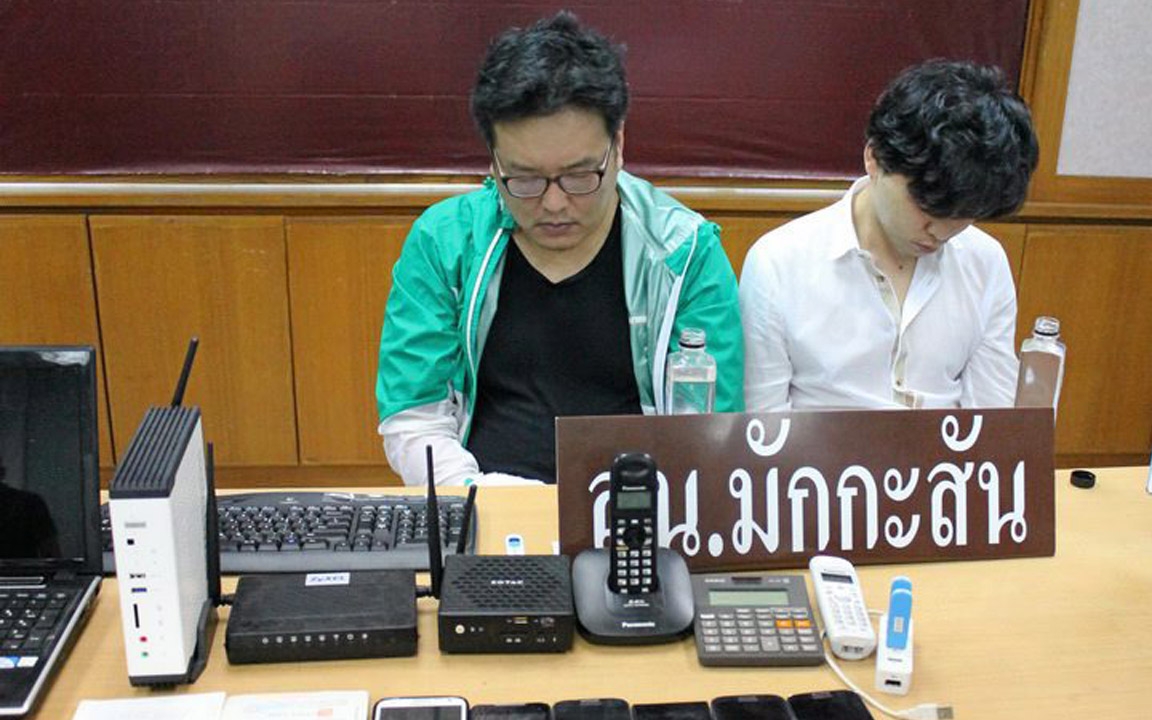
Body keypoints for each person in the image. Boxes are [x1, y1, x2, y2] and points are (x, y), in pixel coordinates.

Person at [377, 12, 744, 486]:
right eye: (524, 179)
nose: (553, 204)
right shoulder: (444, 243)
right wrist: (483, 496)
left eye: (579, 176)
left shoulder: (685, 253)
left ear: (618, 144)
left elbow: (709, 430)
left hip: (637, 502)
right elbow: (414, 419)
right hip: (484, 498)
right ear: (493, 161)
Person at [739, 60, 1038, 411]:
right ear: (874, 158)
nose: (941, 232)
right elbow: (761, 426)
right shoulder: (780, 262)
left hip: (943, 448)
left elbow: (992, 417)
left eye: (964, 215)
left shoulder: (985, 262)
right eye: (927, 206)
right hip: (816, 448)